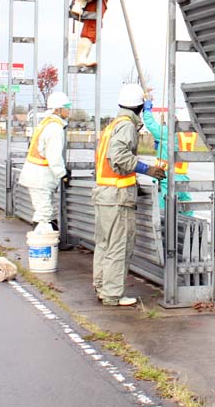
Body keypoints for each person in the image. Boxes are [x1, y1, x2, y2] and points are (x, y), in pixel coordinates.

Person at [93, 83, 166, 306]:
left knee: (104, 243)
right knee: (119, 244)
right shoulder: (126, 127)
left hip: (104, 193)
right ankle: (113, 294)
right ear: (139, 107)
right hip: (117, 195)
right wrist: (147, 169)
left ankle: (102, 286)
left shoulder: (114, 124)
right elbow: (119, 158)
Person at [17, 91, 70, 234]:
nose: (69, 110)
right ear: (58, 109)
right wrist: (62, 174)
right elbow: (54, 156)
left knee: (47, 211)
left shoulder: (47, 123)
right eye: (67, 106)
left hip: (38, 176)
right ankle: (42, 249)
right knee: (44, 213)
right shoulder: (55, 128)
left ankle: (53, 242)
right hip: (40, 177)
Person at [141, 97, 193, 213]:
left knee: (165, 211)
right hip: (183, 177)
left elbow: (150, 124)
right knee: (186, 209)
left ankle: (167, 230)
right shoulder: (190, 134)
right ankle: (188, 230)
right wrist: (161, 145)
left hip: (167, 177)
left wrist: (147, 109)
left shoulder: (168, 132)